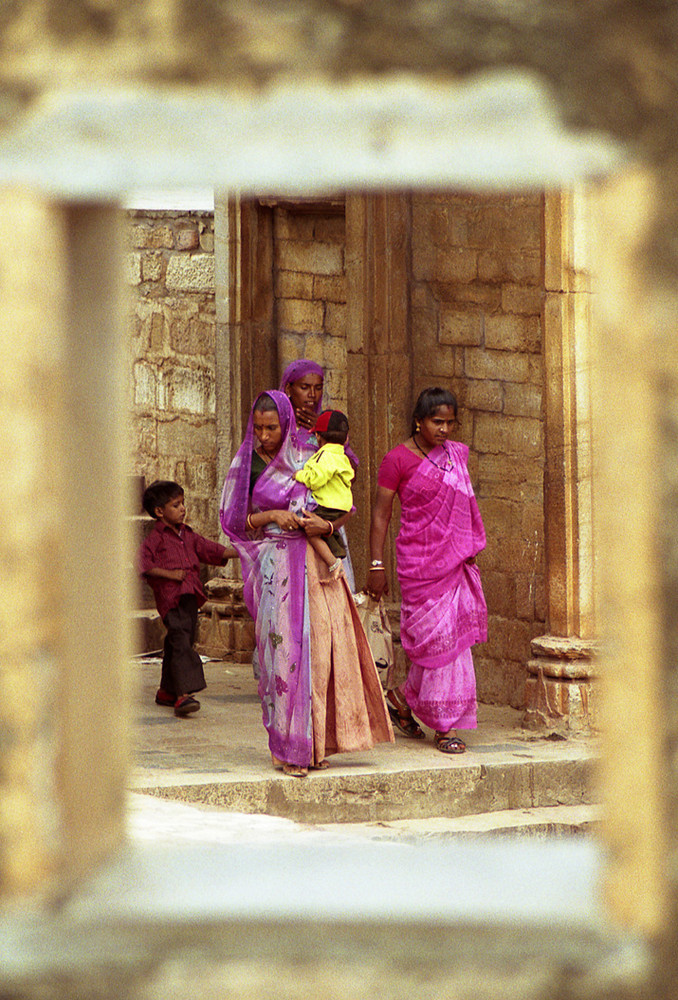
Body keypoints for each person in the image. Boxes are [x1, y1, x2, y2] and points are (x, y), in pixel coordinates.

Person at [219, 390, 393, 777]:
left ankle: (313, 745)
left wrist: (327, 526)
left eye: (272, 428)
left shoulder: (308, 455)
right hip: (277, 567)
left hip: (315, 565)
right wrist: (273, 516)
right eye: (259, 428)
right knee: (283, 657)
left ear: (285, 425)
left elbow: (343, 502)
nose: (265, 435)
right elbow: (235, 522)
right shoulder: (246, 463)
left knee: (319, 655)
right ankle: (287, 749)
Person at [365, 388, 487, 754]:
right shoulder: (396, 460)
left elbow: (464, 506)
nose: (445, 429)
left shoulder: (455, 457)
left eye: (450, 422)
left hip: (454, 564)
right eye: (437, 422)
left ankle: (435, 719)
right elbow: (381, 515)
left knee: (450, 644)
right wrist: (375, 563)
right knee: (432, 642)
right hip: (418, 563)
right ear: (418, 420)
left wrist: (465, 548)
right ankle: (427, 713)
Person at [139, 480, 236, 717]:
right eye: (176, 505)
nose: (183, 508)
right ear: (159, 512)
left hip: (191, 596)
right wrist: (170, 574)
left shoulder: (189, 535)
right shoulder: (155, 539)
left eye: (183, 503)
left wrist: (246, 550)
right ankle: (183, 695)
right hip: (170, 598)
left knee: (178, 641)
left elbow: (214, 551)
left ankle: (165, 691)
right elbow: (143, 565)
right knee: (182, 642)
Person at [293, 409, 354, 581]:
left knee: (309, 528)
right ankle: (338, 554)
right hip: (342, 507)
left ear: (318, 436)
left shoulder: (325, 455)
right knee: (329, 534)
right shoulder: (341, 455)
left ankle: (333, 563)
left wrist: (299, 475)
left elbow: (315, 480)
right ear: (346, 438)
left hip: (329, 505)